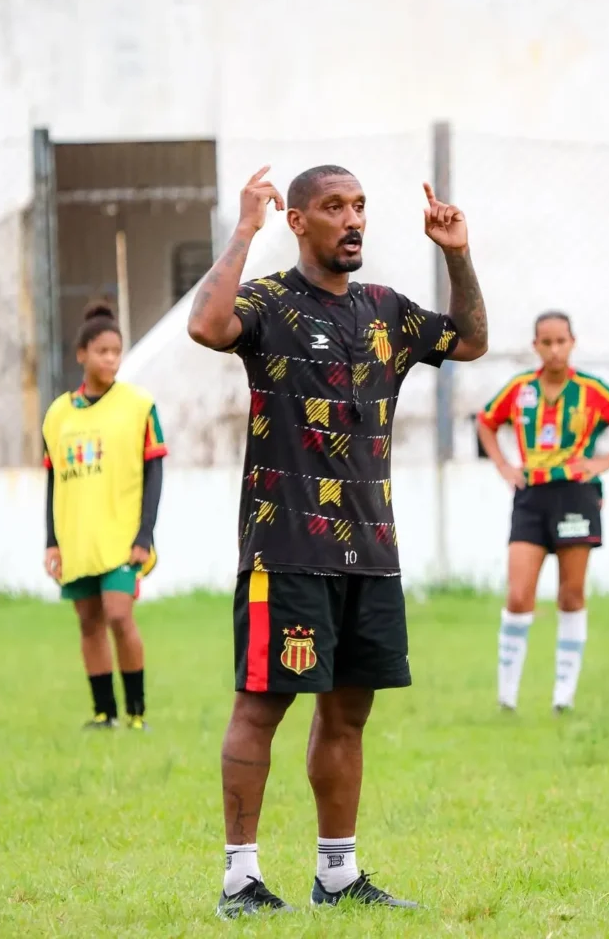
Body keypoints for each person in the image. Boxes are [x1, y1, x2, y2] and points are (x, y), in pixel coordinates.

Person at [188, 164, 487, 916]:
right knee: (263, 706)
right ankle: (239, 880)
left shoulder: (386, 311)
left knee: (349, 713)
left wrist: (457, 253)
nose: (352, 219)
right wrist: (244, 230)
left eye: (358, 206)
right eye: (332, 207)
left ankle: (337, 876)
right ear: (300, 222)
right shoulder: (268, 304)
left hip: (372, 549)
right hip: (285, 545)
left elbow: (472, 342)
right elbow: (205, 326)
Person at [476, 311, 609, 714]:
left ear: (573, 343)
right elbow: (486, 422)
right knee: (519, 595)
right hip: (531, 496)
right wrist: (504, 466)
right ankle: (506, 697)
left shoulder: (589, 390)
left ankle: (563, 698)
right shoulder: (521, 389)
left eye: (561, 341)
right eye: (546, 342)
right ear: (535, 346)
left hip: (576, 495)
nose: (554, 349)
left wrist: (603, 463)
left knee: (570, 594)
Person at [43, 302, 167, 730]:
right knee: (89, 623)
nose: (111, 359)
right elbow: (52, 482)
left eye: (117, 351)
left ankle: (136, 713)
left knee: (118, 615)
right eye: (102, 351)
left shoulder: (139, 406)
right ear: (82, 354)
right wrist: (51, 541)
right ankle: (104, 714)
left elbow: (155, 473)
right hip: (77, 539)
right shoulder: (57, 414)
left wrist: (144, 535)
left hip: (121, 538)